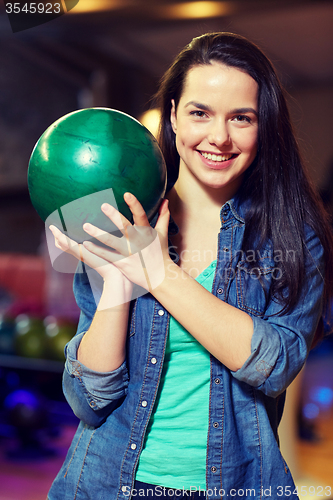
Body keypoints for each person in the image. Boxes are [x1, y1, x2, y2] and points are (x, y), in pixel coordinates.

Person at [47, 32, 333, 500]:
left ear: (265, 126)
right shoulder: (114, 218)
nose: (218, 137)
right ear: (175, 114)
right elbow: (89, 400)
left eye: (241, 118)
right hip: (105, 485)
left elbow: (275, 363)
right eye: (200, 112)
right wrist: (120, 284)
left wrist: (158, 272)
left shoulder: (292, 236)